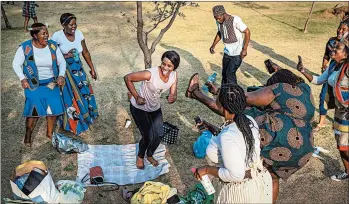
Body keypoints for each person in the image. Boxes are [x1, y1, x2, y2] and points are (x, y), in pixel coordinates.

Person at [186, 69, 315, 203]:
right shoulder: (305, 90)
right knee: (272, 177)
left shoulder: (279, 89)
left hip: (279, 137)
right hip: (304, 146)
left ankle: (195, 93)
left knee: (236, 111)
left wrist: (221, 94)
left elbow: (241, 99)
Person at [193, 84, 272, 203]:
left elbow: (236, 175)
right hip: (257, 181)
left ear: (222, 107)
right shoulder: (248, 120)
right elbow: (234, 141)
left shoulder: (228, 136)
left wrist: (207, 169)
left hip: (240, 193)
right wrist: (209, 127)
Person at [297, 40, 349, 181]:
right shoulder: (333, 65)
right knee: (340, 145)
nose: (333, 49)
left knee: (344, 146)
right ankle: (347, 171)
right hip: (339, 111)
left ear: (346, 53)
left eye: (338, 48)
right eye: (333, 47)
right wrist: (303, 71)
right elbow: (318, 80)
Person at [12, 23, 66, 148]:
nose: (47, 36)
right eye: (43, 34)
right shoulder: (25, 47)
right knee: (33, 111)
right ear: (35, 36)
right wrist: (22, 78)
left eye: (47, 33)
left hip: (51, 83)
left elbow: (62, 62)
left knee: (52, 110)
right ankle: (28, 135)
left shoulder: (52, 46)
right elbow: (16, 64)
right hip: (33, 84)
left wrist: (61, 75)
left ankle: (49, 133)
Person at [124, 51, 179, 169]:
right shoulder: (150, 74)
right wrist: (136, 96)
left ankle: (149, 154)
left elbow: (173, 93)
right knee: (148, 135)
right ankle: (140, 156)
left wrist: (173, 97)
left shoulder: (174, 75)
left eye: (169, 66)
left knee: (159, 134)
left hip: (154, 107)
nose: (165, 67)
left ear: (174, 67)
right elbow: (128, 78)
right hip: (139, 107)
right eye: (163, 64)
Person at [51, 13, 98, 136]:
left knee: (85, 92)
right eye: (71, 24)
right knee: (71, 96)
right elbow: (51, 54)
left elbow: (85, 52)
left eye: (75, 24)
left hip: (79, 69)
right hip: (65, 71)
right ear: (63, 25)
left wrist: (92, 68)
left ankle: (88, 116)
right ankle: (76, 122)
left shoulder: (79, 34)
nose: (74, 27)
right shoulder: (57, 36)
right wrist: (66, 56)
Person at [316, 20, 349, 131]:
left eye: (344, 29)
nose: (340, 30)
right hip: (331, 73)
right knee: (323, 96)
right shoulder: (331, 41)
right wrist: (324, 65)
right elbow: (326, 55)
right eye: (339, 28)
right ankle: (321, 122)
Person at [209, 5, 251, 85]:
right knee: (224, 74)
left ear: (223, 14)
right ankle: (224, 94)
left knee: (230, 74)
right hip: (227, 52)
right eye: (215, 18)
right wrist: (213, 45)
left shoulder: (235, 20)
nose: (217, 20)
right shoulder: (219, 21)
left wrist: (244, 49)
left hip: (237, 53)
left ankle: (234, 95)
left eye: (218, 18)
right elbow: (220, 32)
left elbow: (247, 32)